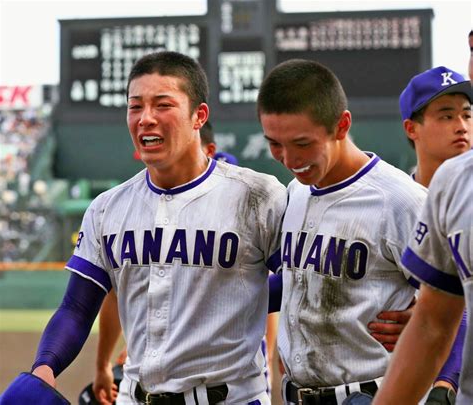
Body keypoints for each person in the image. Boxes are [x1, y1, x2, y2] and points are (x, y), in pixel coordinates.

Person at [0, 51, 287, 404]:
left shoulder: (258, 195)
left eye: (162, 105)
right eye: (135, 107)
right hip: (135, 396)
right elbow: (77, 307)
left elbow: (300, 280)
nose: (146, 118)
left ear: (199, 116)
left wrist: (241, 299)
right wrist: (45, 366)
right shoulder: (108, 208)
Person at [257, 58, 441, 405]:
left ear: (341, 125)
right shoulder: (296, 191)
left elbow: (458, 296)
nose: (289, 158)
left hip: (373, 392)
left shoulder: (402, 201)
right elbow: (298, 278)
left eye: (302, 143)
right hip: (297, 394)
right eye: (275, 143)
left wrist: (433, 317)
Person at [91, 121, 278, 405]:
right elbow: (124, 290)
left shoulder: (244, 192)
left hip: (230, 379)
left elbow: (260, 285)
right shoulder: (137, 203)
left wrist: (270, 349)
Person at [372, 42, 473, 405]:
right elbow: (435, 315)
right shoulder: (392, 201)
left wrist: (447, 380)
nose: (461, 126)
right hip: (396, 376)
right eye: (446, 116)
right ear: (411, 128)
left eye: (466, 114)